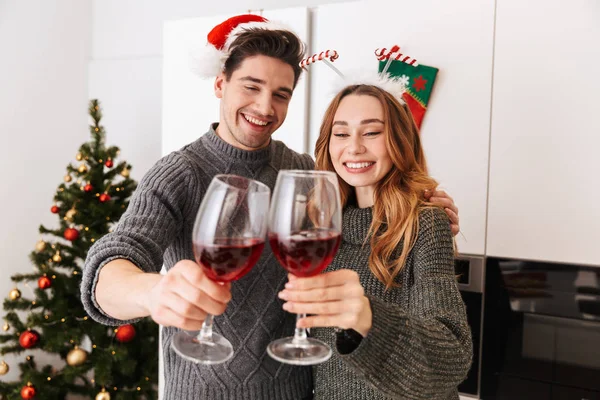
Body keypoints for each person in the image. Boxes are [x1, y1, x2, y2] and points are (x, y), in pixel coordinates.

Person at [80, 14, 460, 400]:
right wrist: (152, 292)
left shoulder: (305, 174)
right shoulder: (179, 173)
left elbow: (365, 196)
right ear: (219, 83)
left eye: (281, 94)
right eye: (251, 86)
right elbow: (110, 269)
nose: (265, 107)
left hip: (295, 391)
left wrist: (419, 204)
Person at [277, 83, 472, 399]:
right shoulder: (319, 226)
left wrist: (368, 318)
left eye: (371, 133)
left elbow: (450, 358)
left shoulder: (426, 221)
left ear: (399, 140)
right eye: (341, 134)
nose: (353, 147)